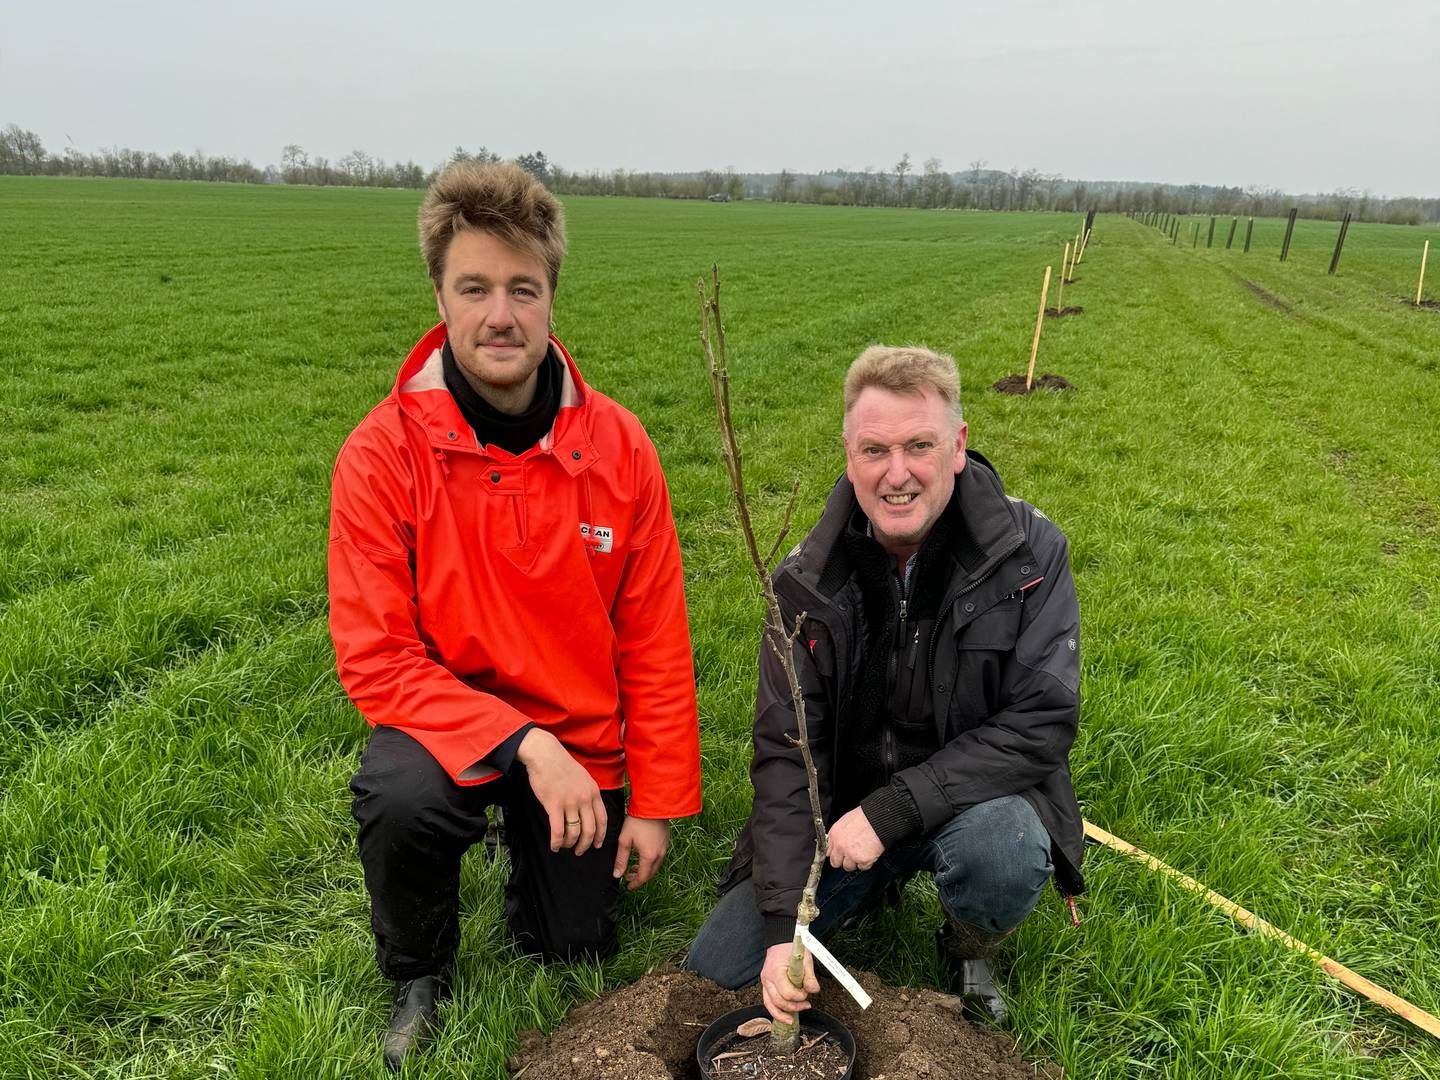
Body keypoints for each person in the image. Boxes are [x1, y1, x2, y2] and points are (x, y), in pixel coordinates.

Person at [328, 161, 702, 1070]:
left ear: (550, 299)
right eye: (476, 288)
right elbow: (377, 660)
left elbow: (654, 639)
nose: (501, 314)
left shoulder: (620, 446)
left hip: (584, 735)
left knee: (571, 948)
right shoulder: (382, 455)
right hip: (449, 728)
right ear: (441, 296)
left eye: (522, 289)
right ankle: (419, 969)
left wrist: (653, 805)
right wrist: (528, 748)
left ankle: (539, 864)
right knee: (402, 798)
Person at [686, 345, 1083, 1026]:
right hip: (837, 819)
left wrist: (892, 813)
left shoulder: (1028, 555)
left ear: (957, 447)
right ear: (848, 454)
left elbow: (1041, 720)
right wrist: (783, 928)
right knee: (721, 969)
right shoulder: (805, 579)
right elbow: (787, 751)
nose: (897, 474)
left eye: (919, 446)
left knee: (1004, 853)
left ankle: (966, 945)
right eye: (875, 451)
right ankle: (863, 888)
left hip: (968, 805)